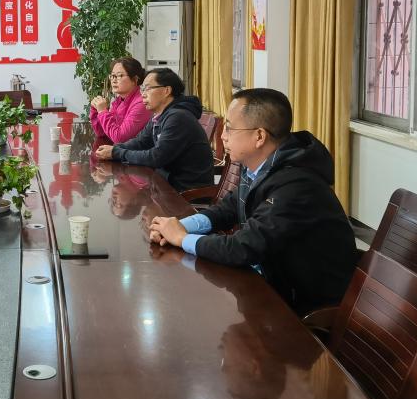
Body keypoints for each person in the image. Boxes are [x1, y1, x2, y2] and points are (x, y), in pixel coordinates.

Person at [148, 88, 359, 316]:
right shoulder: (261, 166)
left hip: (303, 304)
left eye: (230, 128)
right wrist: (178, 227)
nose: (223, 136)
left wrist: (182, 238)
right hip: (271, 281)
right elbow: (227, 208)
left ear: (259, 136)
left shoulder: (297, 184)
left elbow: (244, 247)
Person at [94, 67, 213, 191]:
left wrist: (116, 153)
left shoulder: (178, 117)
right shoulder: (161, 115)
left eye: (148, 88)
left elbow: (156, 157)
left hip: (185, 192)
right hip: (164, 185)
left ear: (166, 91)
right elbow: (141, 142)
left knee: (132, 194)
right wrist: (115, 149)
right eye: (142, 89)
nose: (143, 94)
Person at [89, 56, 152, 144]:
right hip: (123, 150)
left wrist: (103, 112)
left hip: (138, 151)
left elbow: (119, 138)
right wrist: (96, 110)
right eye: (112, 76)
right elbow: (102, 133)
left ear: (135, 79)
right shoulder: (120, 100)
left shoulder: (142, 103)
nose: (114, 80)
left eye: (120, 75)